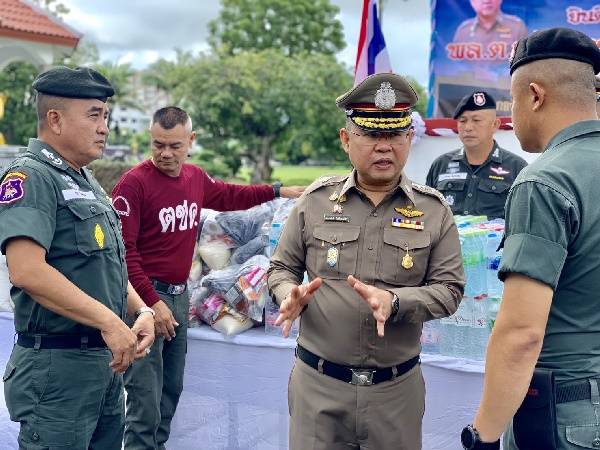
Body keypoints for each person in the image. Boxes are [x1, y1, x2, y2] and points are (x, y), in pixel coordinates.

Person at [267, 73, 465, 450]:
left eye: (395, 135)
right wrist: (287, 293)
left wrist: (397, 302)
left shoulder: (434, 210)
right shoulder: (315, 201)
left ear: (409, 138)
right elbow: (281, 268)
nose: (384, 147)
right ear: (346, 139)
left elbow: (450, 290)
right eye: (372, 135)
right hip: (318, 389)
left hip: (396, 394)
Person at [112, 106, 303, 450]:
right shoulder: (133, 184)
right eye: (158, 144)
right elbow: (123, 255)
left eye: (175, 145)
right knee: (144, 401)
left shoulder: (194, 178)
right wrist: (151, 304)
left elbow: (232, 195)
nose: (165, 153)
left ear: (191, 141)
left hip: (178, 296)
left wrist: (278, 190)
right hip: (143, 300)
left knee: (169, 393)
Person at [0, 66, 155, 449]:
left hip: (102, 364)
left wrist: (141, 310)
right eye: (94, 115)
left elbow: (105, 264)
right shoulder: (32, 177)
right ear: (55, 119)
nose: (104, 128)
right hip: (58, 370)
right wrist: (109, 321)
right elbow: (26, 271)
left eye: (106, 116)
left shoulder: (84, 179)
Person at [460, 28, 600, 450]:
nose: (512, 115)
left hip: (569, 412)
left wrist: (483, 437)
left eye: (513, 100)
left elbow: (522, 333)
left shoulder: (545, 181)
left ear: (535, 95)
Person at [426, 90, 527, 219]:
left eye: (476, 120)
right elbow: (428, 214)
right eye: (462, 121)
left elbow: (524, 218)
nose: (468, 127)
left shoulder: (516, 168)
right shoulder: (441, 165)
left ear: (495, 125)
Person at [453, 0, 527, 53]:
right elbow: (456, 62)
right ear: (472, 2)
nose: (486, 1)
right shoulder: (463, 31)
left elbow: (526, 58)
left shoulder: (517, 26)